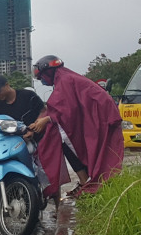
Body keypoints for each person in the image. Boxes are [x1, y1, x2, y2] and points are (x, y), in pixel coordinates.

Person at [30, 55, 124, 199]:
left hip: (100, 115)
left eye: (41, 77)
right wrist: (44, 119)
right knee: (89, 148)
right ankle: (91, 181)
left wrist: (47, 120)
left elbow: (65, 109)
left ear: (47, 71)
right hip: (98, 115)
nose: (42, 81)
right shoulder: (65, 78)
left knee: (67, 143)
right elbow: (62, 107)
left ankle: (86, 181)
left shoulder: (65, 81)